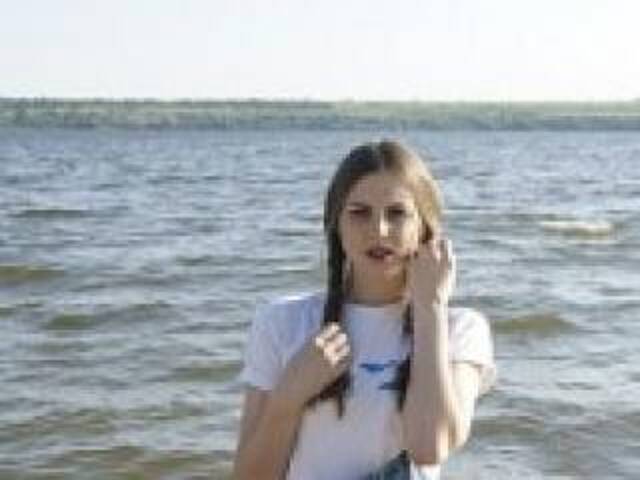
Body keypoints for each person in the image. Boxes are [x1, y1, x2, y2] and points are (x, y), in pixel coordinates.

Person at [232, 140, 496, 480]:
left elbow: (429, 447)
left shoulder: (460, 328)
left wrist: (430, 308)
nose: (379, 230)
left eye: (397, 213)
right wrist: (288, 396)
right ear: (336, 224)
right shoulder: (282, 322)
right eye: (360, 213)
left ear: (424, 226)